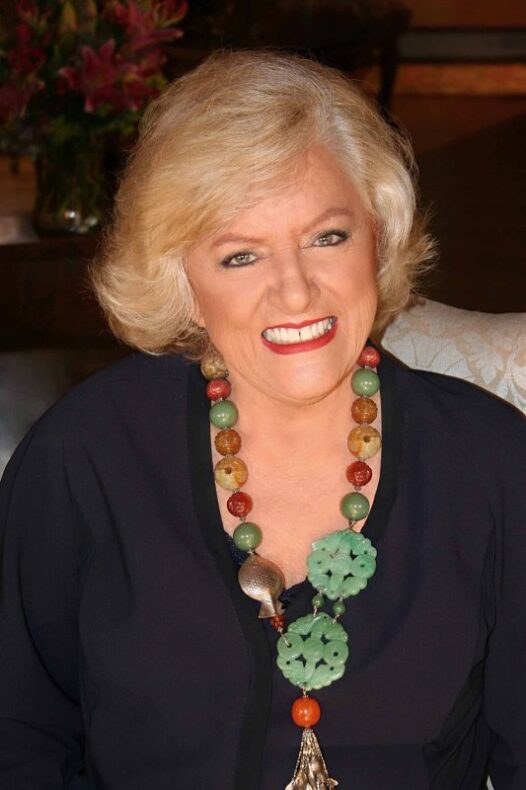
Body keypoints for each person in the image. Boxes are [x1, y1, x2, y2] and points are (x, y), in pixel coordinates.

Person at [0, 50, 525, 790]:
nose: (296, 291)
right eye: (240, 256)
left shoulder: (492, 466)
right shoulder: (85, 457)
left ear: (378, 238)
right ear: (183, 283)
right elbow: (17, 737)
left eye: (327, 237)